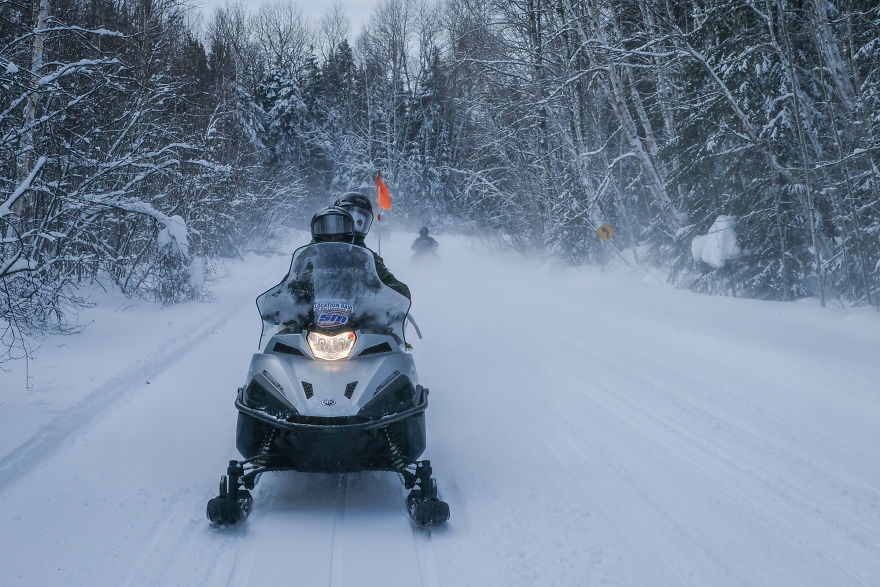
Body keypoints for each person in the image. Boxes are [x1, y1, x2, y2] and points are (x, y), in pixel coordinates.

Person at [331, 193, 411, 299]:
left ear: (365, 225)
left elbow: (402, 290)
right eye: (348, 220)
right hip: (316, 309)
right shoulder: (320, 246)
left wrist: (388, 289)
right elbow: (304, 267)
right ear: (337, 219)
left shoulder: (368, 258)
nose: (353, 226)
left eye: (358, 222)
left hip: (358, 311)